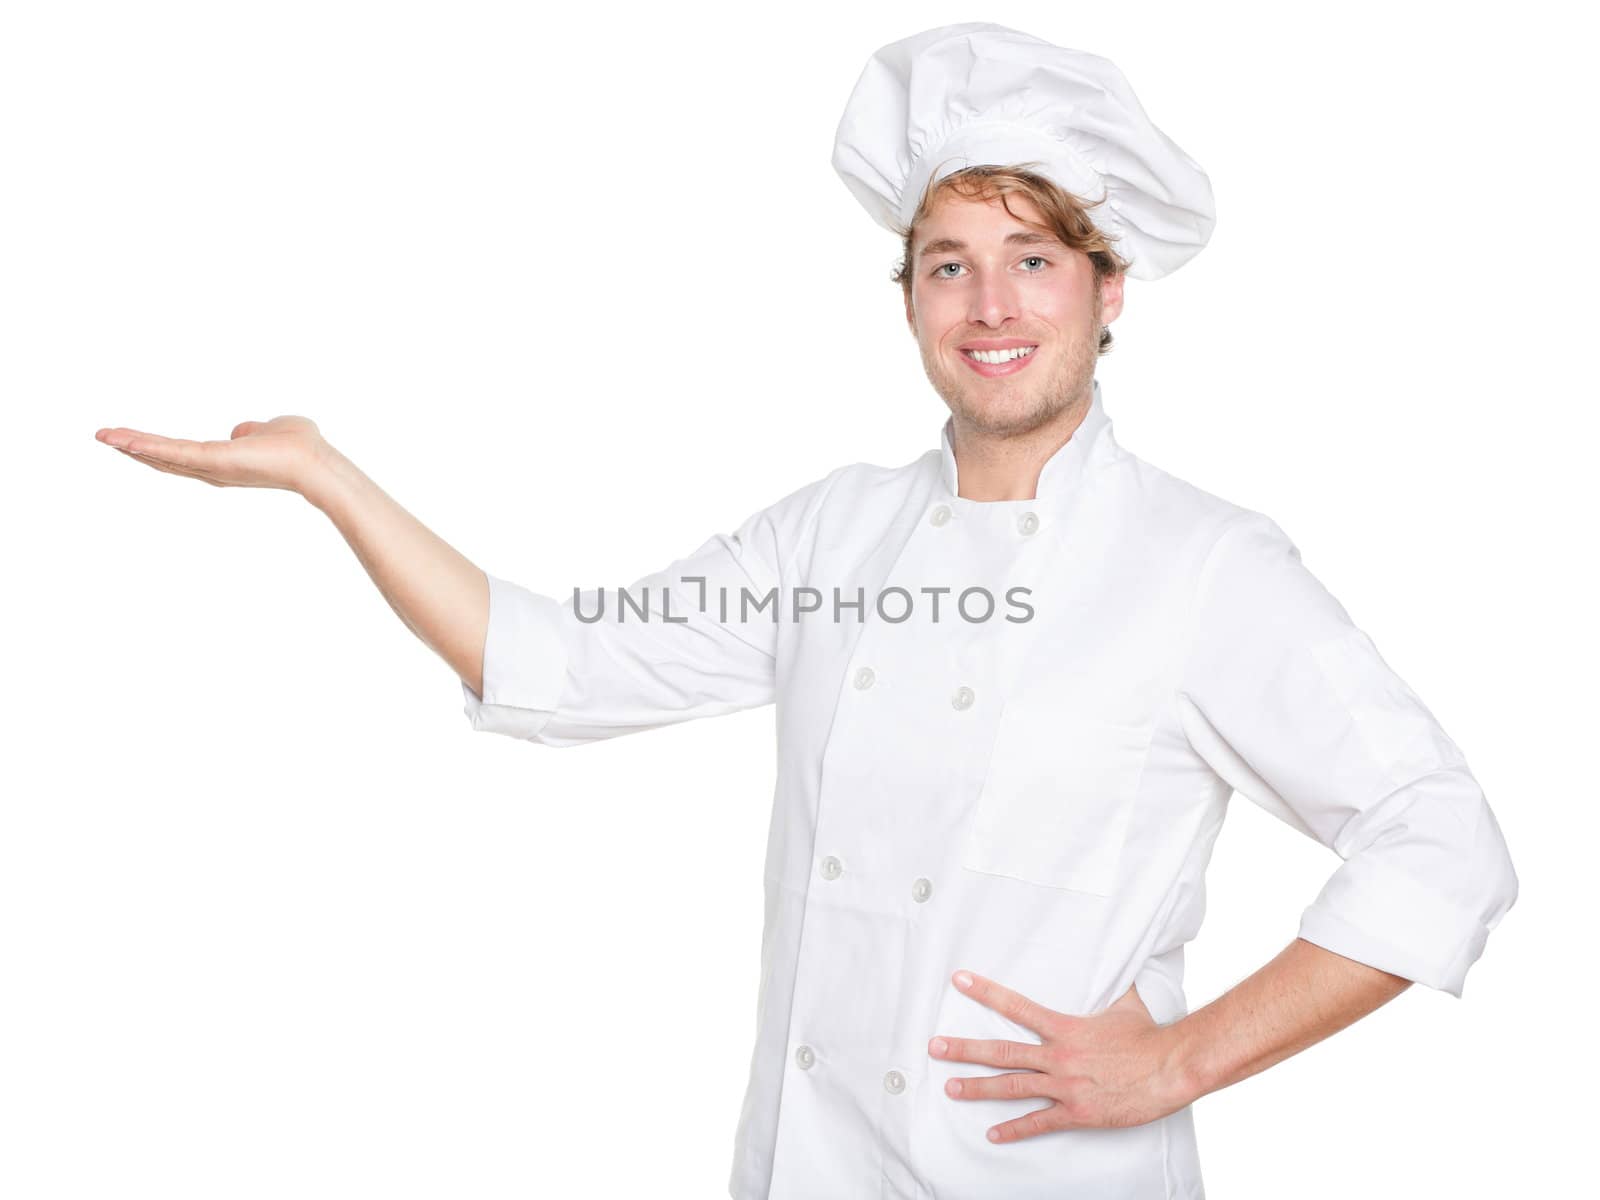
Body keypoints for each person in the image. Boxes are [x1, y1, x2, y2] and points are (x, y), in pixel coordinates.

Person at [93, 21, 1517, 1200]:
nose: (989, 301)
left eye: (1035, 257)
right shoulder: (835, 533)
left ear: (1108, 293)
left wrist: (1183, 1057)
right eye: (948, 261)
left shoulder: (1203, 567)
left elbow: (1441, 841)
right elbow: (558, 660)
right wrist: (326, 476)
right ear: (907, 303)